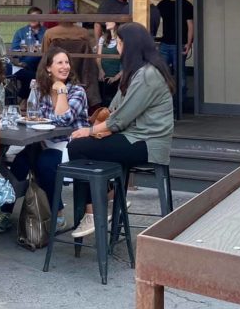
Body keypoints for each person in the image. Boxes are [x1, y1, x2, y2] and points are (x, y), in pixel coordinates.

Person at [67, 23, 174, 238]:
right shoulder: (136, 72)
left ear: (128, 45)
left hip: (147, 143)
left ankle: (92, 211)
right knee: (85, 145)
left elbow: (121, 119)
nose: (116, 46)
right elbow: (115, 108)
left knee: (78, 147)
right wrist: (97, 126)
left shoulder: (147, 75)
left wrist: (90, 130)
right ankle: (111, 196)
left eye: (119, 41)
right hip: (134, 137)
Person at [0, 47, 89, 234]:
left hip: (71, 146)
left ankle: (58, 215)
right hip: (45, 142)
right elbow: (35, 116)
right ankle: (5, 212)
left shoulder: (77, 91)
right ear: (48, 68)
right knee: (20, 163)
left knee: (45, 163)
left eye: (67, 62)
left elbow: (63, 119)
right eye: (60, 62)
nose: (65, 66)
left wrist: (61, 90)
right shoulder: (42, 90)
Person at [156, 0, 194, 103]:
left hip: (179, 44)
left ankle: (180, 104)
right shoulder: (162, 4)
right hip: (164, 44)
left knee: (180, 75)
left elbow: (190, 26)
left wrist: (188, 44)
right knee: (161, 74)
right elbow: (152, 18)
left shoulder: (186, 5)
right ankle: (163, 102)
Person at [94, 0, 160, 43]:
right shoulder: (107, 4)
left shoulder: (128, 5)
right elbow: (97, 25)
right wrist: (98, 45)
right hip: (113, 44)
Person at [9, 6, 44, 100]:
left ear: (41, 18)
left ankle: (23, 99)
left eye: (36, 17)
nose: (33, 19)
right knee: (30, 74)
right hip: (25, 65)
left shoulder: (46, 32)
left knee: (35, 57)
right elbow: (14, 51)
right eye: (31, 17)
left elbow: (50, 50)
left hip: (42, 64)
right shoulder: (20, 32)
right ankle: (29, 99)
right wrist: (26, 50)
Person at [97, 21, 123, 104]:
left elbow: (126, 60)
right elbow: (98, 57)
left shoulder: (121, 39)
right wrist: (100, 70)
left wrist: (117, 76)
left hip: (116, 77)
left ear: (115, 23)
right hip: (103, 76)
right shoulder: (103, 38)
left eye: (109, 21)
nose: (106, 23)